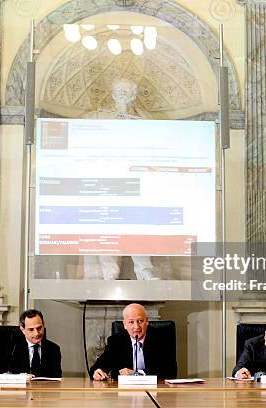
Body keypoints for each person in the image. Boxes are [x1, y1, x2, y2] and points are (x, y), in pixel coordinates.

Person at [83, 78, 159, 281]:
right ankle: (109, 272)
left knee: (138, 229)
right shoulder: (99, 116)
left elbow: (154, 143)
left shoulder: (144, 119)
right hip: (106, 181)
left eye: (126, 90)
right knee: (106, 230)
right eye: (119, 90)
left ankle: (145, 272)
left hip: (134, 182)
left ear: (133, 95)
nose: (122, 93)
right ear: (112, 93)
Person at [90, 303, 177, 380]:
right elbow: (96, 367)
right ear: (125, 325)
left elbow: (171, 372)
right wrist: (97, 372)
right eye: (131, 322)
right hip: (124, 393)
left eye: (140, 321)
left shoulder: (161, 339)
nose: (136, 327)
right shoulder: (116, 341)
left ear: (147, 321)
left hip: (156, 390)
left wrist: (136, 373)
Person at [7, 309, 62, 378]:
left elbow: (57, 378)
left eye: (39, 328)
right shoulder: (12, 348)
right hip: (20, 388)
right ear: (23, 330)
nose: (36, 334)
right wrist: (19, 377)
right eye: (31, 329)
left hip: (45, 388)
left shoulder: (54, 349)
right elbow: (2, 374)